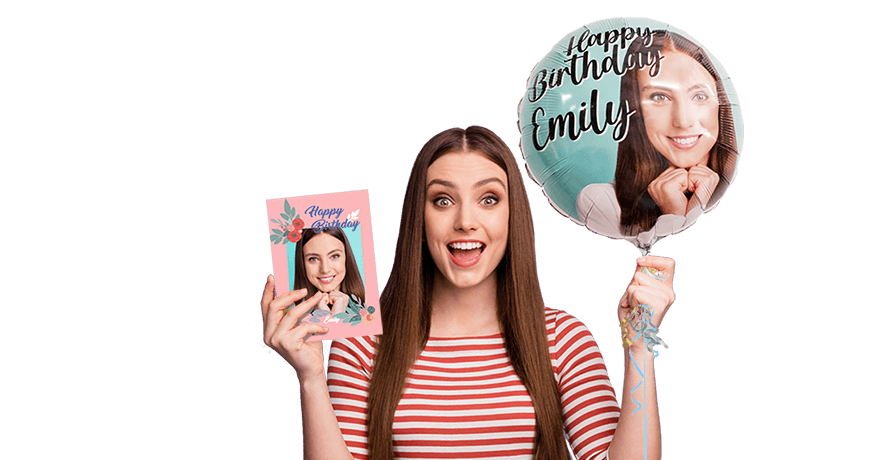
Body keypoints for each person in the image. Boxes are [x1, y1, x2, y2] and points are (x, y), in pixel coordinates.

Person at [261, 126, 675, 459]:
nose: (465, 221)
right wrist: (311, 376)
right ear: (417, 219)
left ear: (513, 216)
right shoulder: (361, 345)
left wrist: (639, 345)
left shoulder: (564, 338)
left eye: (489, 199)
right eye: (442, 201)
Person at [576, 30, 738, 242]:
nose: (683, 120)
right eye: (659, 97)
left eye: (699, 95)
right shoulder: (602, 201)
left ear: (720, 104)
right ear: (635, 110)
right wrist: (676, 214)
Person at [292, 227, 366, 317]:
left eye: (334, 256)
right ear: (302, 263)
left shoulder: (372, 310)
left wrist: (338, 316)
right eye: (313, 259)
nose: (325, 269)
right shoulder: (291, 316)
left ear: (347, 258)